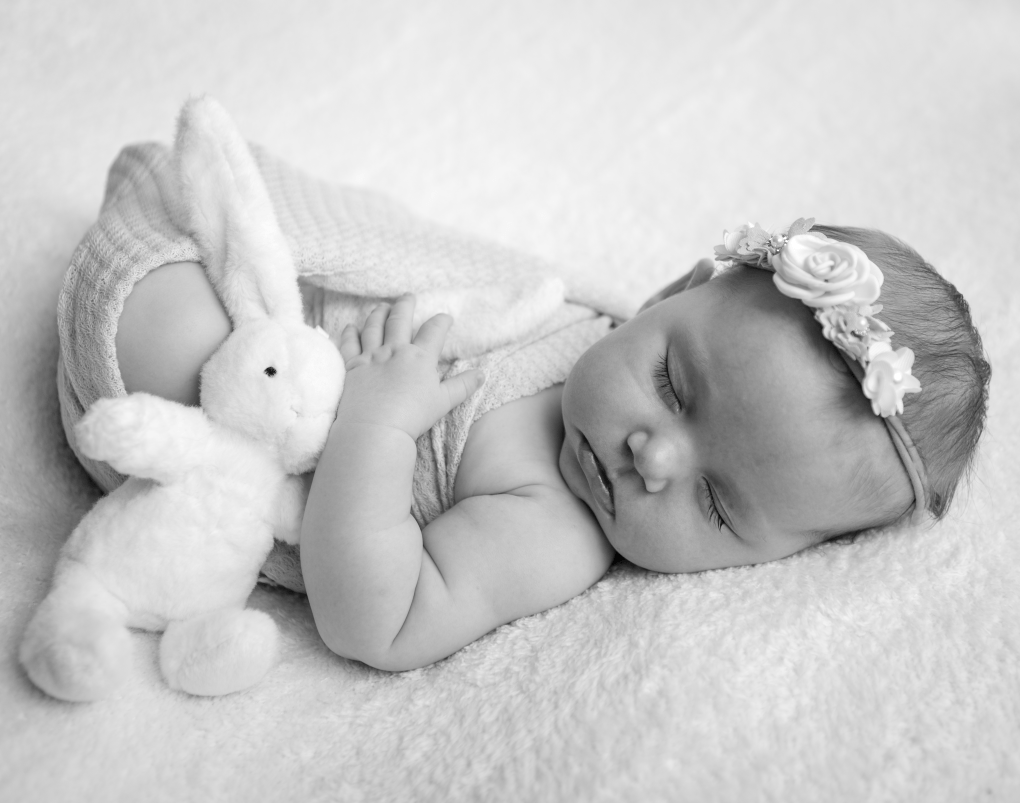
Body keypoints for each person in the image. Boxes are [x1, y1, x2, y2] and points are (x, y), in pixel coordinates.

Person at [110, 218, 990, 672]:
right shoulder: (586, 324)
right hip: (297, 289)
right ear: (670, 293)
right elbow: (441, 262)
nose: (653, 459)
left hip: (251, 388)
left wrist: (377, 426)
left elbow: (379, 619)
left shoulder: (556, 530)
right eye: (672, 385)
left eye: (717, 504)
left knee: (166, 334)